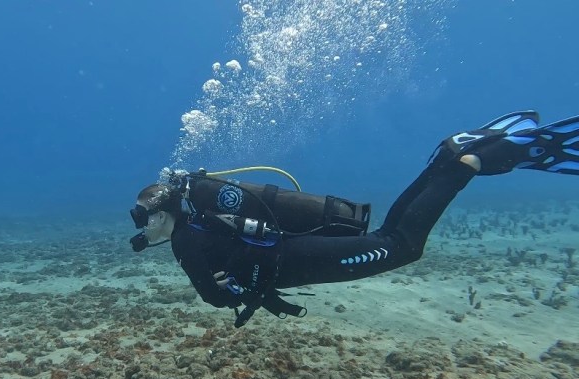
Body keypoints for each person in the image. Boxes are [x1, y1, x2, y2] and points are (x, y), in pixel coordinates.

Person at [129, 111, 579, 327]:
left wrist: (226, 290)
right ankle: (447, 159)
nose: (144, 230)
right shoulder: (202, 219)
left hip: (295, 258)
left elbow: (213, 299)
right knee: (390, 234)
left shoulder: (187, 243)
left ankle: (468, 165)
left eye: (145, 220)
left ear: (163, 213)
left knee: (403, 245)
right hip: (291, 250)